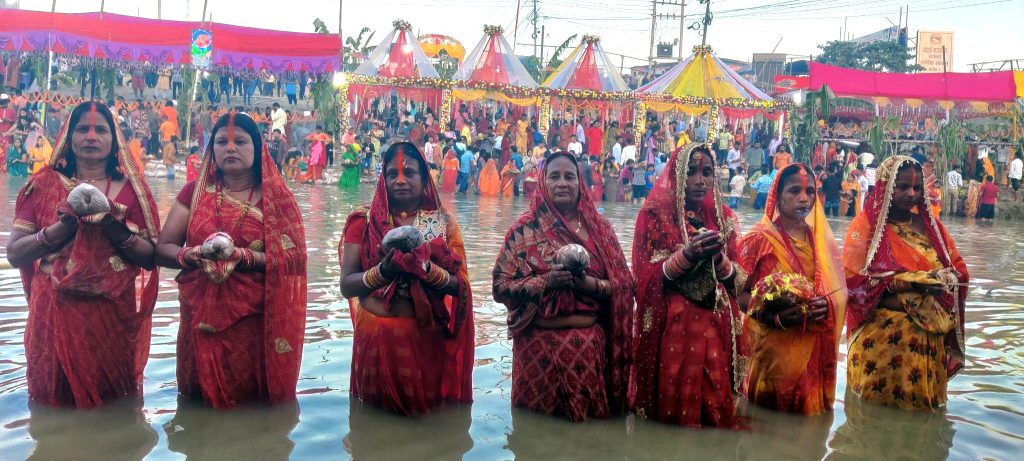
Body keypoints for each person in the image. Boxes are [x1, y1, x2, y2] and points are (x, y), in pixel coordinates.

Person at [7, 101, 161, 408]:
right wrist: (61, 229)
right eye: (82, 129)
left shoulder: (133, 190)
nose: (91, 136)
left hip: (111, 311)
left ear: (114, 138)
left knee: (112, 401)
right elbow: (15, 253)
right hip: (53, 307)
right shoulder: (43, 184)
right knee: (51, 401)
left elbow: (150, 258)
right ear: (68, 136)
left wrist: (113, 227)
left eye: (101, 130)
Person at [156, 112, 307, 409]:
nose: (230, 148)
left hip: (252, 325)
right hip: (197, 319)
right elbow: (163, 248)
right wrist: (192, 254)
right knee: (196, 407)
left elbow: (294, 260)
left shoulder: (277, 200)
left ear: (258, 147)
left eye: (240, 141)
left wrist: (245, 257)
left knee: (249, 408)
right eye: (221, 142)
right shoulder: (195, 192)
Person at [492, 152, 634, 421]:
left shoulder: (600, 230)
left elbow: (625, 286)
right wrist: (546, 283)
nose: (562, 183)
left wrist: (588, 285)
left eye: (569, 177)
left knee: (588, 442)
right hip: (536, 354)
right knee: (534, 439)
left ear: (581, 183)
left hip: (588, 355)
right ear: (543, 182)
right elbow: (500, 286)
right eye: (554, 176)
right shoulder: (523, 229)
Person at [339, 142, 473, 416]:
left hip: (424, 338)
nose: (400, 180)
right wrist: (383, 273)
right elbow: (347, 285)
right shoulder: (363, 220)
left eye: (409, 172)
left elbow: (460, 285)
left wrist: (426, 270)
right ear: (383, 178)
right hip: (375, 338)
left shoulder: (439, 222)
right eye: (392, 174)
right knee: (372, 424)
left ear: (424, 177)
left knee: (424, 419)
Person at [630, 144, 745, 428]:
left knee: (714, 415)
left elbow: (739, 281)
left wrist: (719, 259)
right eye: (691, 171)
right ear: (677, 174)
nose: (699, 180)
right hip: (674, 328)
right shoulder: (655, 215)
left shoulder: (724, 218)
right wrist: (687, 256)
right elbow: (643, 276)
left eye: (707, 173)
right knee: (672, 418)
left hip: (717, 328)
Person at [843, 156, 969, 410]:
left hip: (929, 342)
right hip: (882, 346)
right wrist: (909, 288)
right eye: (902, 186)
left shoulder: (932, 228)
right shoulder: (866, 228)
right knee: (873, 425)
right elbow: (853, 286)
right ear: (885, 186)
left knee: (924, 422)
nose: (911, 193)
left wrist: (945, 279)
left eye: (917, 188)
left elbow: (959, 271)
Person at [737, 163, 847, 415]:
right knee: (764, 429)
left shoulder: (821, 241)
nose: (804, 199)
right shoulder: (759, 239)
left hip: (812, 351)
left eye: (810, 191)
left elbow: (839, 292)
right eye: (794, 191)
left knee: (807, 430)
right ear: (777, 196)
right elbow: (737, 293)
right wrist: (772, 316)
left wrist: (826, 304)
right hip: (771, 353)